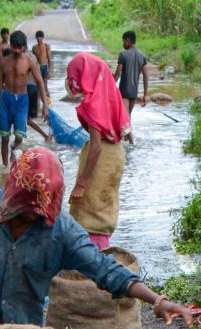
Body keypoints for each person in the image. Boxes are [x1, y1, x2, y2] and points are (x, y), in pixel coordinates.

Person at [0, 147, 191, 329]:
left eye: (39, 210)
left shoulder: (61, 231)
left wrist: (157, 300)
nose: (33, 215)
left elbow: (103, 268)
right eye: (25, 208)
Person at [66, 52, 129, 250]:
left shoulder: (94, 103)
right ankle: (101, 254)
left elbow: (96, 146)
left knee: (89, 212)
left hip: (102, 158)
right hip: (116, 155)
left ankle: (90, 260)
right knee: (104, 208)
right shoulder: (109, 92)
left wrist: (80, 184)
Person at [0, 30, 47, 166]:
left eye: (19, 48)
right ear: (10, 45)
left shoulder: (30, 60)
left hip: (22, 100)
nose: (16, 50)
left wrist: (45, 106)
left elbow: (40, 82)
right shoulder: (4, 61)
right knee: (4, 137)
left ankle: (13, 148)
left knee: (19, 136)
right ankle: (5, 168)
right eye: (14, 47)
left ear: (23, 47)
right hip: (6, 100)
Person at [114, 30, 149, 130]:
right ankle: (128, 141)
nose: (123, 44)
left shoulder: (123, 54)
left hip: (124, 91)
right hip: (134, 92)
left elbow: (118, 74)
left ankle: (130, 140)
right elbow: (145, 75)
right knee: (128, 116)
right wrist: (145, 94)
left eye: (124, 41)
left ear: (128, 41)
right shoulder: (142, 56)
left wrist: (110, 84)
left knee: (125, 118)